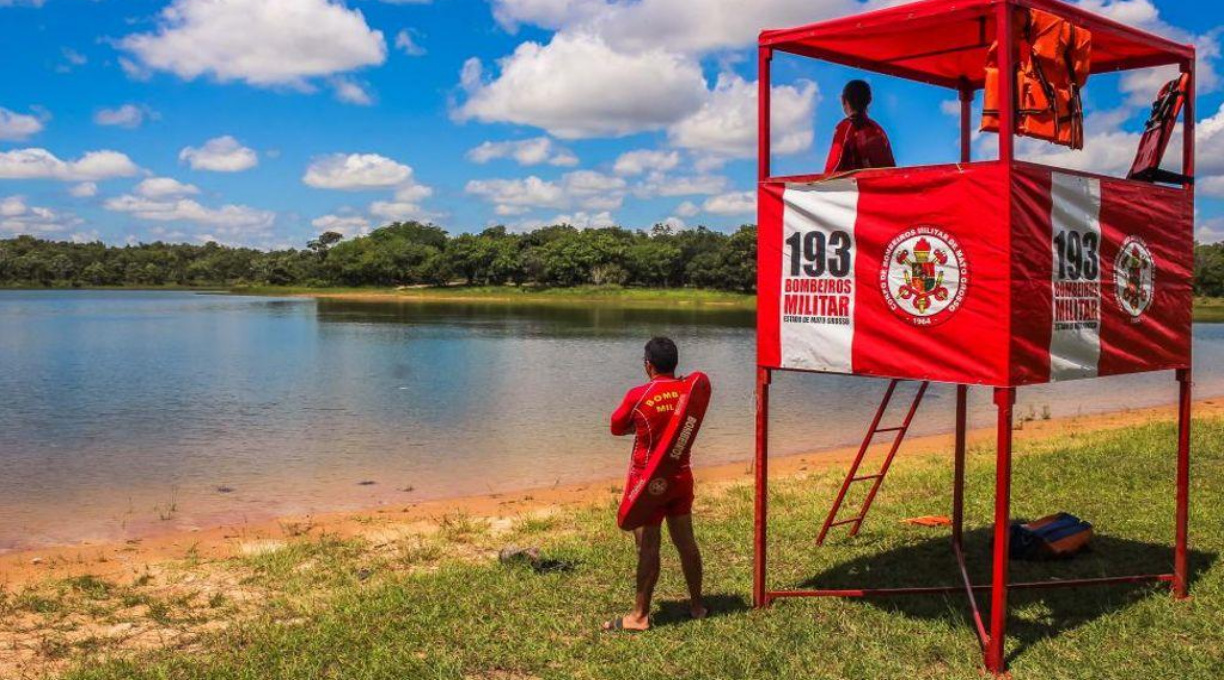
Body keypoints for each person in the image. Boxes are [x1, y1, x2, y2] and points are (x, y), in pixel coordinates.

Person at [602, 337, 707, 632]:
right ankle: (697, 605)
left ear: (648, 365)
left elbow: (616, 426)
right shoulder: (686, 391)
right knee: (686, 541)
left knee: (648, 546)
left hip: (647, 480)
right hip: (680, 475)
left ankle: (639, 616)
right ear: (674, 364)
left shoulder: (639, 394)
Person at [824, 79, 896, 174]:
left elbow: (832, 169)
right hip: (879, 187)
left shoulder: (845, 127)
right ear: (869, 100)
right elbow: (892, 170)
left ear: (843, 100)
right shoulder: (879, 131)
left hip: (854, 187)